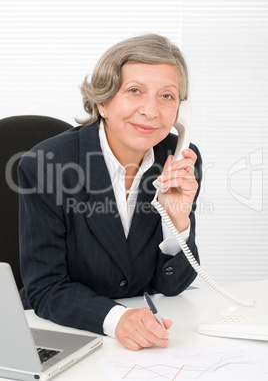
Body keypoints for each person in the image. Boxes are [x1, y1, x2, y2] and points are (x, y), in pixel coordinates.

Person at [18, 34, 202, 351]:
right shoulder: (46, 165)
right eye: (135, 91)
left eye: (167, 97)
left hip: (148, 342)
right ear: (102, 101)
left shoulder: (178, 161)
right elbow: (45, 289)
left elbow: (171, 286)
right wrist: (118, 319)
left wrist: (176, 224)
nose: (151, 110)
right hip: (67, 333)